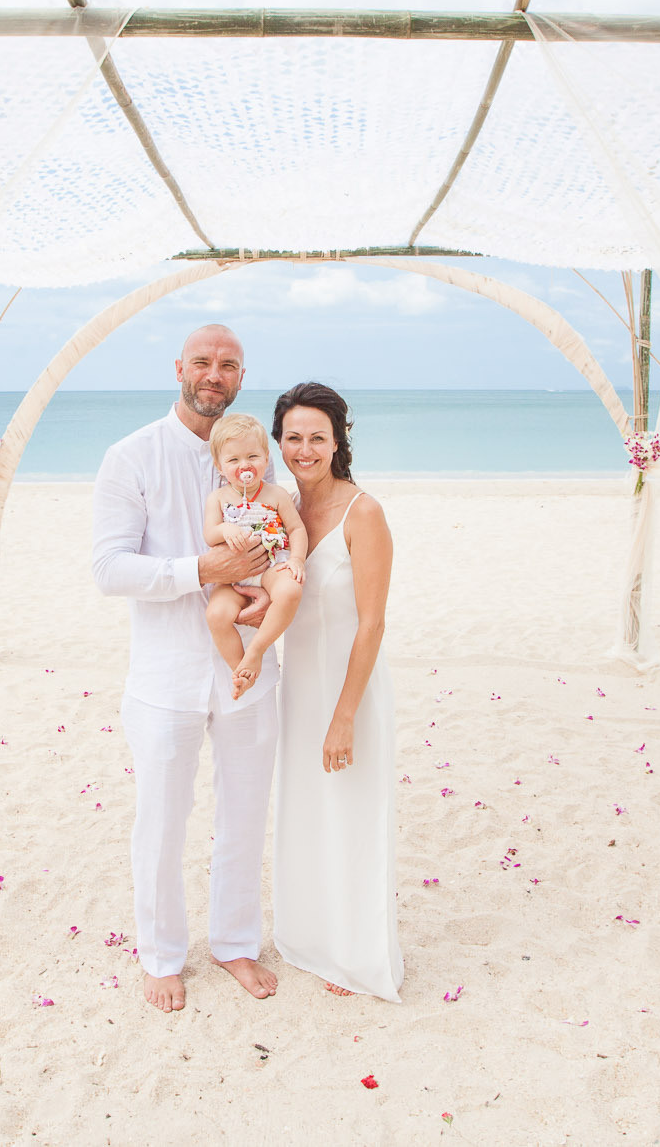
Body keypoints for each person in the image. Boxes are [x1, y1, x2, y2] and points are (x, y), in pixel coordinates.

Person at [91, 325, 282, 1013]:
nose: (214, 374)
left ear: (240, 376)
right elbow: (109, 568)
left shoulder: (256, 460)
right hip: (165, 675)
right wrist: (201, 569)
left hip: (249, 673)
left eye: (228, 365)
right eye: (202, 362)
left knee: (244, 814)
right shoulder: (131, 456)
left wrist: (266, 598)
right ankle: (162, 954)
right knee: (163, 820)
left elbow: (285, 548)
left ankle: (234, 941)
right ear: (179, 368)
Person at [270, 382, 404, 1000]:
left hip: (349, 692)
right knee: (304, 811)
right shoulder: (280, 515)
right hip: (298, 690)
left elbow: (372, 622)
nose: (304, 449)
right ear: (279, 442)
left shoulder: (363, 512)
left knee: (351, 813)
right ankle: (311, 939)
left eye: (317, 437)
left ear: (337, 442)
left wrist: (344, 716)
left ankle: (355, 954)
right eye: (293, 437)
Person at [203, 414, 308, 699]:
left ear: (266, 458)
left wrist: (297, 559)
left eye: (252, 456)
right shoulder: (219, 498)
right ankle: (242, 669)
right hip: (233, 577)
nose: (244, 465)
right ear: (219, 466)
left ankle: (257, 650)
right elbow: (210, 534)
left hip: (270, 564)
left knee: (289, 591)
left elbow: (296, 528)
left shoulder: (276, 494)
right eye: (233, 460)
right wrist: (224, 529)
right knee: (216, 615)